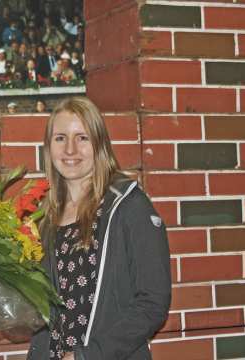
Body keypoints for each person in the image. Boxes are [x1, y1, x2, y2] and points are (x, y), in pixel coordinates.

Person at [28, 97, 171, 360]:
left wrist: (88, 355)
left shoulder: (129, 206)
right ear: (48, 147)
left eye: (82, 137)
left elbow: (153, 304)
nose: (70, 149)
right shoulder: (43, 218)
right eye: (60, 138)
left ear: (99, 144)